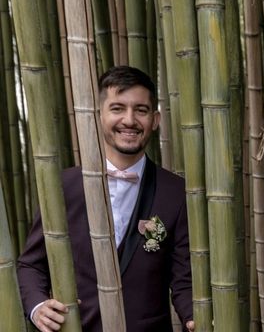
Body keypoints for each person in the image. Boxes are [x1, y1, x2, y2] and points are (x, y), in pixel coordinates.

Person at [17, 66, 194, 332]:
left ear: (155, 120)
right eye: (117, 108)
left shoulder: (175, 192)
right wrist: (37, 306)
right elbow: (30, 265)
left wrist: (193, 316)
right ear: (99, 115)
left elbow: (184, 280)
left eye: (141, 110)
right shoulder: (63, 187)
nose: (129, 120)